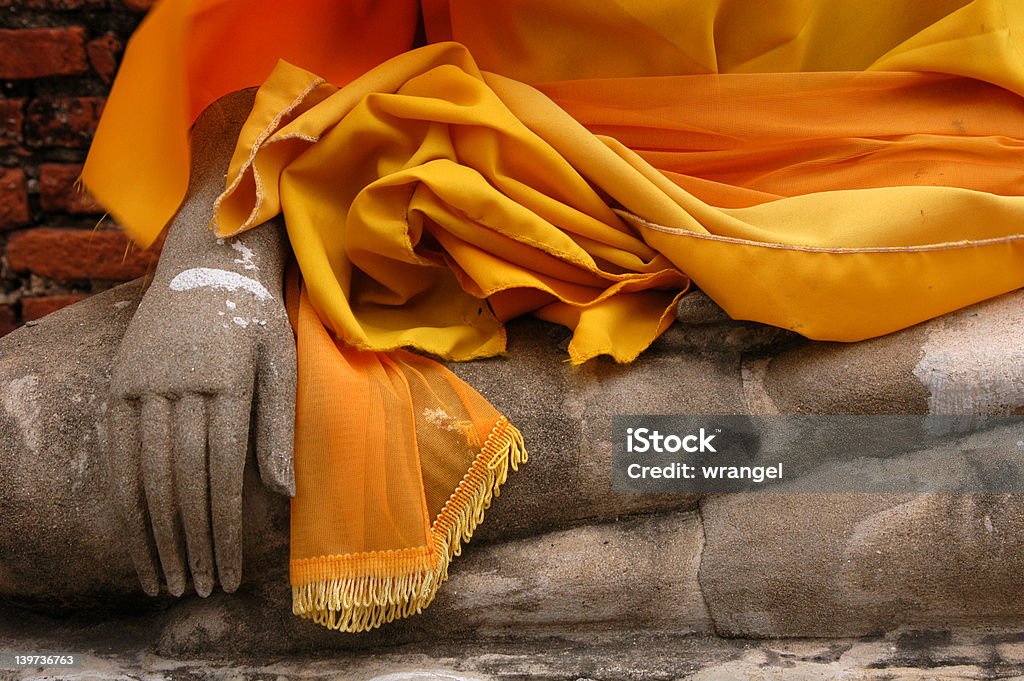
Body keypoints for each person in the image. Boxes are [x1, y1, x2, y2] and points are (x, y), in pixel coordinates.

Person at [78, 0, 1024, 631]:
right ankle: (735, 523)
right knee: (38, 462)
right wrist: (219, 261)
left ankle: (610, 581)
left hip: (926, 218)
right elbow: (285, 49)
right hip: (503, 238)